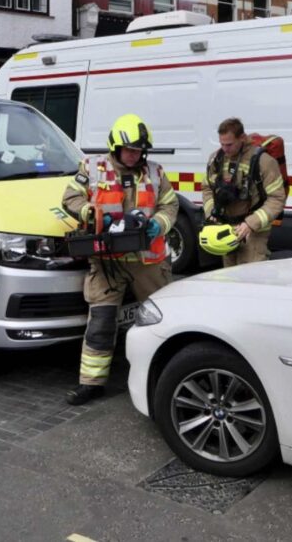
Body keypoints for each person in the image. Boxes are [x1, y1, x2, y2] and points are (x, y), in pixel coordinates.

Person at [61, 114, 178, 405]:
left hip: (147, 262)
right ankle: (91, 383)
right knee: (100, 322)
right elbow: (70, 199)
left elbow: (170, 205)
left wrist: (157, 225)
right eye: (129, 150)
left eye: (138, 150)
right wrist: (92, 213)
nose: (134, 155)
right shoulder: (92, 167)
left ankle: (164, 378)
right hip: (106, 262)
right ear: (115, 147)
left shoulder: (155, 172)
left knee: (161, 321)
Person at [201, 118, 286, 266]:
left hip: (254, 231)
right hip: (226, 228)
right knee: (229, 275)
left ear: (242, 138)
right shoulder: (216, 159)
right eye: (221, 144)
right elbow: (207, 187)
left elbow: (277, 198)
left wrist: (250, 223)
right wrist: (211, 213)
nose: (225, 149)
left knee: (251, 276)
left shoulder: (264, 161)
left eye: (229, 144)